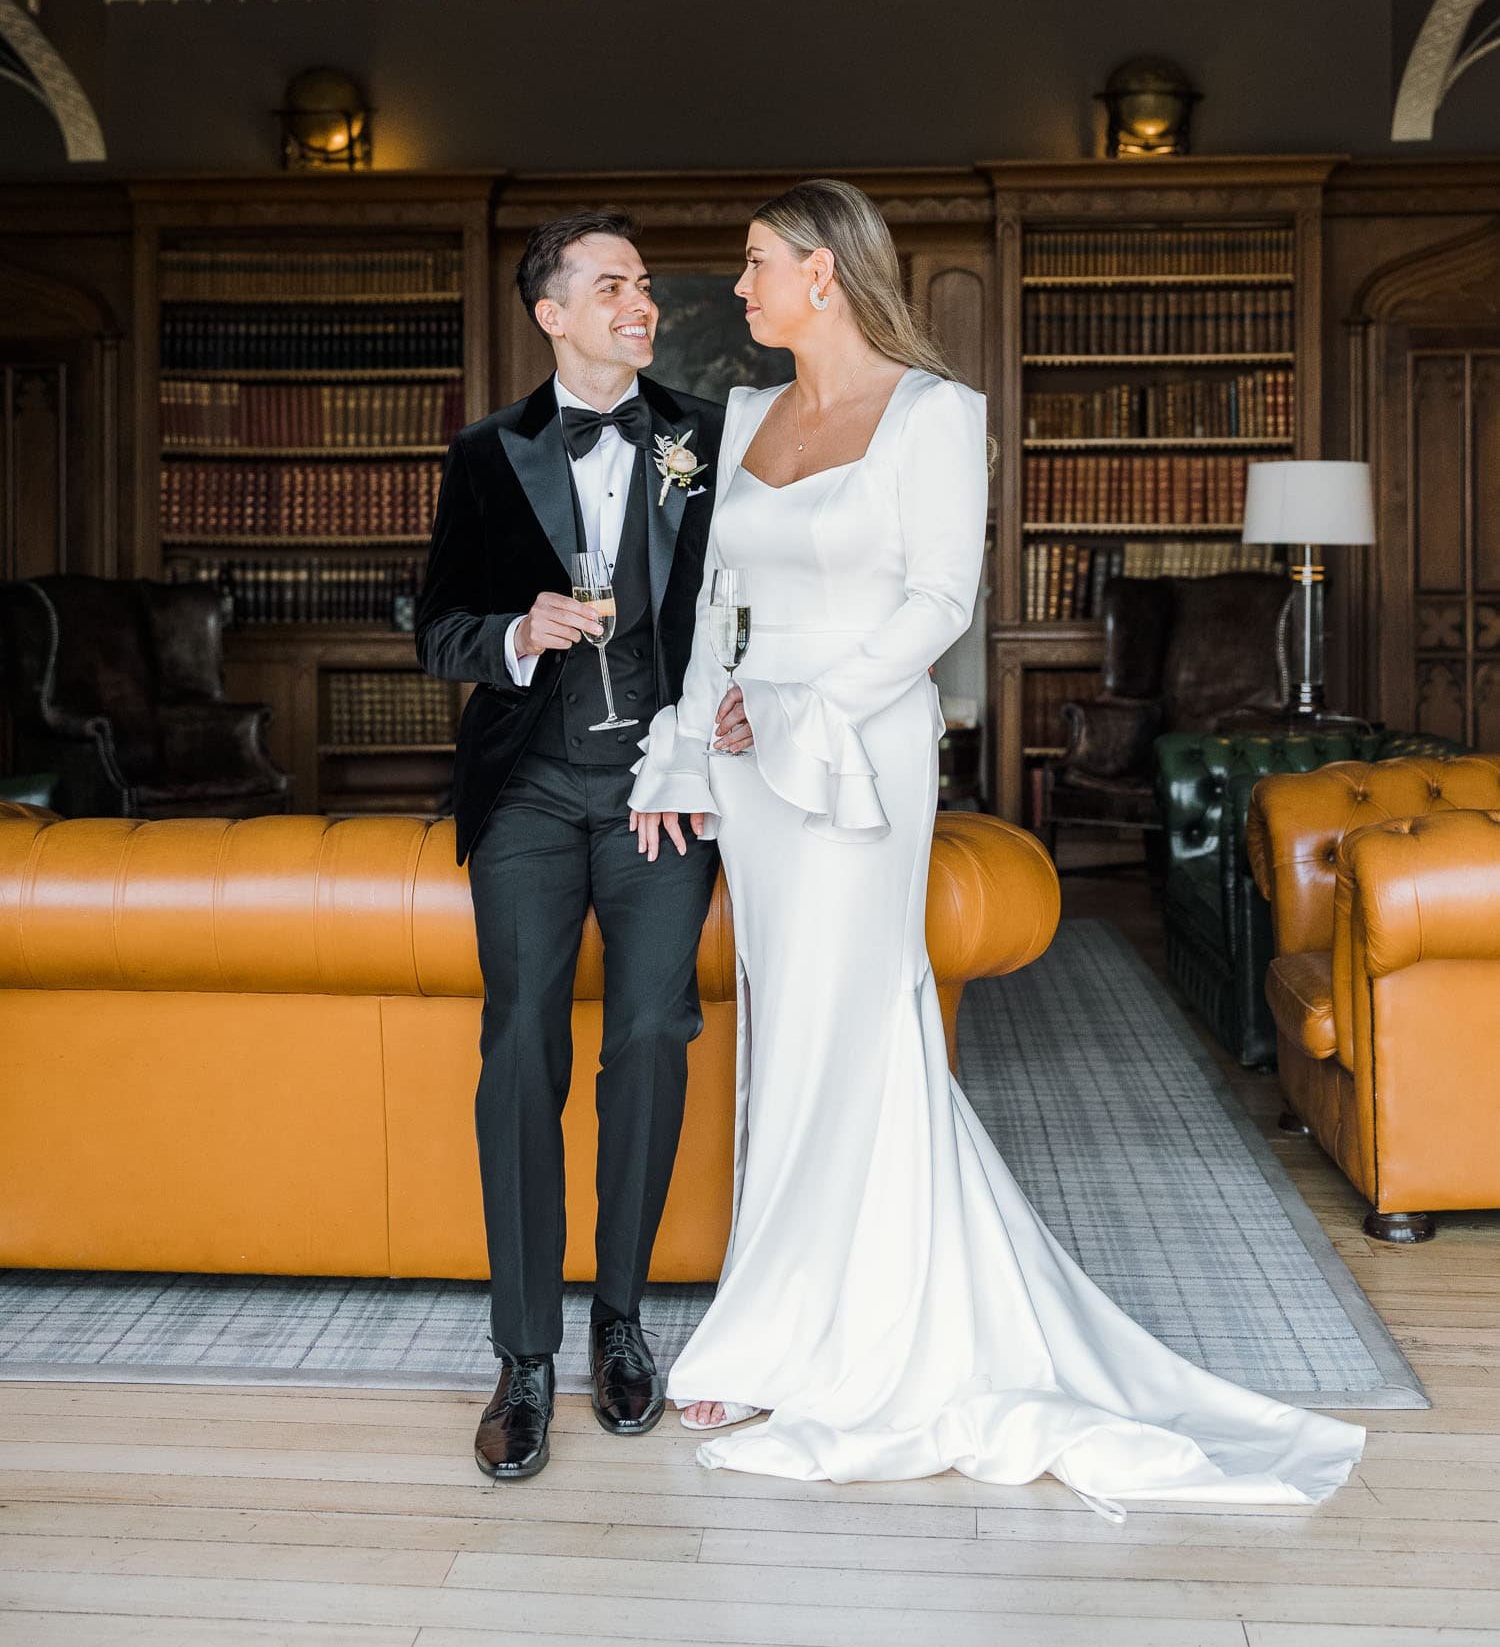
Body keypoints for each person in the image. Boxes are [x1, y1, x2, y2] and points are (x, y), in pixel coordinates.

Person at [627, 176, 1366, 1522]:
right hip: (750, 755)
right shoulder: (738, 416)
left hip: (857, 742)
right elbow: (709, 602)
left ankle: (834, 1335)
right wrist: (683, 752)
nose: (735, 291)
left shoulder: (935, 412)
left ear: (823, 273)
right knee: (781, 1022)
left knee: (858, 1018)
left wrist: (805, 701)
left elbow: (937, 602)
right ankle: (770, 1321)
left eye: (752, 265)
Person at [416, 210, 723, 1482]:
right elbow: (436, 627)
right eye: (611, 287)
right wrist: (515, 636)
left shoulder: (706, 439)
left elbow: (742, 609)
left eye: (643, 284)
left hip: (662, 791)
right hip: (533, 791)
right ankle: (525, 1357)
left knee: (653, 1032)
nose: (637, 302)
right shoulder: (486, 456)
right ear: (552, 313)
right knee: (522, 1040)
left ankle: (622, 1325)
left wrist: (709, 730)